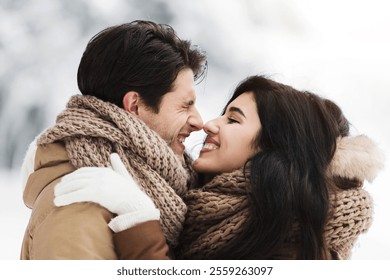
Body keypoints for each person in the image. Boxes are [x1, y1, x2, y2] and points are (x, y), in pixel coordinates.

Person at [54, 75, 384, 259]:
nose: (210, 124)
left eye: (233, 119)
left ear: (274, 145)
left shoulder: (295, 242)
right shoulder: (201, 206)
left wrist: (137, 220)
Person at [20, 20, 207, 259]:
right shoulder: (79, 204)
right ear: (135, 105)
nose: (198, 121)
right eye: (185, 105)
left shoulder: (165, 186)